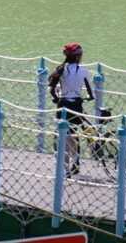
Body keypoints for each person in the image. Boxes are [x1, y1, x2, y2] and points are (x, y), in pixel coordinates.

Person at [48, 42, 94, 176]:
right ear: (78, 56)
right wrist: (87, 97)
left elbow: (52, 91)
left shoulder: (61, 70)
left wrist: (57, 98)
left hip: (63, 106)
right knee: (74, 134)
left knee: (62, 135)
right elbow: (91, 94)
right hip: (76, 106)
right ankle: (76, 162)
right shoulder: (83, 71)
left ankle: (65, 168)